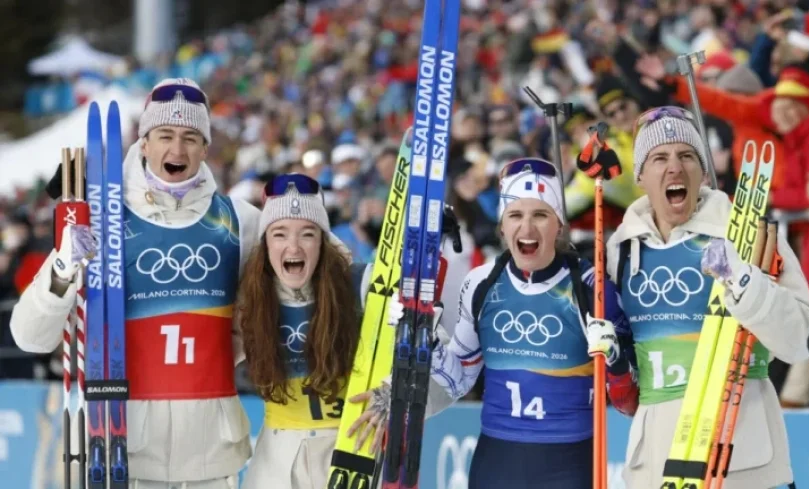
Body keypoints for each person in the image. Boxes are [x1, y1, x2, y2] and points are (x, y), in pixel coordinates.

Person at [10, 78, 261, 488]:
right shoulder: (99, 218)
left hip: (211, 454)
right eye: (164, 135)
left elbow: (309, 271)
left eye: (190, 137)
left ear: (205, 148)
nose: (177, 150)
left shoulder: (239, 220)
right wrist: (63, 266)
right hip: (122, 446)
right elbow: (29, 337)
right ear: (144, 143)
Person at [379, 157, 639, 489]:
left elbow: (628, 402)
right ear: (502, 226)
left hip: (570, 463)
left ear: (558, 224)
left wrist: (615, 360)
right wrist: (429, 341)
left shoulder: (591, 287)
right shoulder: (482, 282)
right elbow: (459, 380)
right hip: (497, 461)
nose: (527, 229)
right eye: (515, 215)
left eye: (540, 215)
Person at [606, 106, 809, 489]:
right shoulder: (619, 250)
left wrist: (743, 281)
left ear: (704, 172)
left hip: (741, 458)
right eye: (659, 158)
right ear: (640, 175)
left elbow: (803, 339)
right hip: (653, 465)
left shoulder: (746, 233)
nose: (675, 167)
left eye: (687, 155)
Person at [238, 173, 454, 489]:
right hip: (276, 464)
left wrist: (399, 392)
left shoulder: (364, 286)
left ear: (323, 242)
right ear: (265, 243)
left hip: (352, 456)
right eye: (280, 234)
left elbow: (446, 368)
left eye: (307, 234)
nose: (293, 246)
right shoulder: (251, 297)